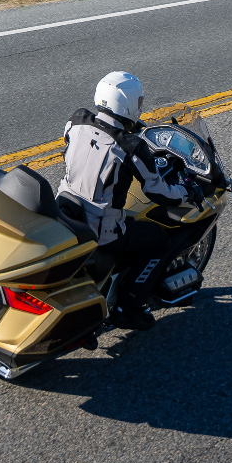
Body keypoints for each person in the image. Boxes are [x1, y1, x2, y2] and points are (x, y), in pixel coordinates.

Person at [56, 71, 192, 330]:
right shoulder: (130, 146)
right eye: (138, 102)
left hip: (63, 209)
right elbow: (158, 191)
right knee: (158, 241)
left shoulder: (76, 120)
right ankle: (129, 305)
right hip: (102, 230)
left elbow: (72, 145)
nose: (140, 107)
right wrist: (186, 192)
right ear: (127, 104)